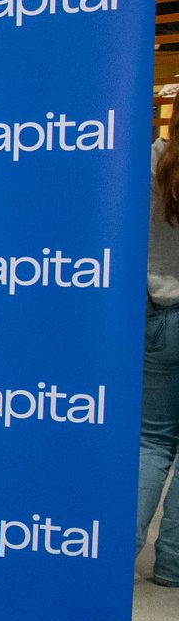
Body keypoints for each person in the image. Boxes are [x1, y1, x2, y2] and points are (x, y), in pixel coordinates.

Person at [143, 136, 179, 590]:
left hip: (161, 312)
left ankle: (119, 555)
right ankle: (172, 565)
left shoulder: (153, 160)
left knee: (151, 442)